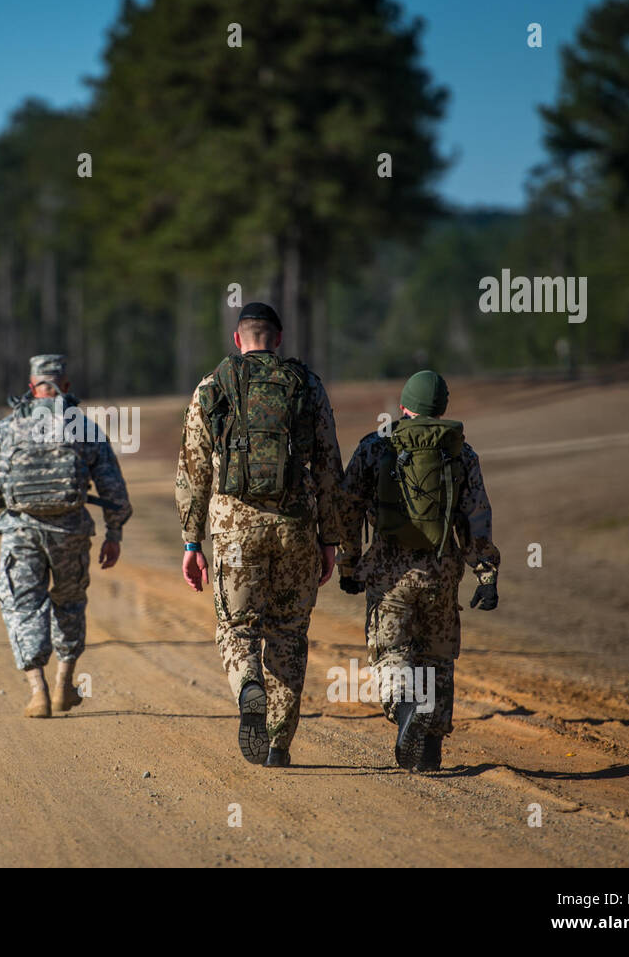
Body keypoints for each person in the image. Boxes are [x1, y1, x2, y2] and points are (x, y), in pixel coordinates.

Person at [175, 302, 344, 767]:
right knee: (289, 633)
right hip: (296, 527)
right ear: (279, 337)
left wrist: (192, 543)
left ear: (237, 339)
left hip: (234, 529)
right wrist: (330, 538)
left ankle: (248, 685)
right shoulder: (307, 386)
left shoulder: (213, 387)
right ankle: (278, 744)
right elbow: (330, 467)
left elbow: (192, 472)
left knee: (237, 627)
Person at [337, 369, 500, 772]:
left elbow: (346, 509)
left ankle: (408, 706)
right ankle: (429, 749)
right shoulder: (461, 452)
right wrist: (486, 574)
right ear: (442, 407)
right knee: (437, 657)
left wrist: (348, 565)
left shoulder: (375, 447)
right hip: (441, 572)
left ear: (404, 404)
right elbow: (476, 517)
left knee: (393, 652)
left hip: (389, 574)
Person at [0, 354, 132, 717]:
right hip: (70, 531)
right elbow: (112, 487)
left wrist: (9, 490)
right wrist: (114, 532)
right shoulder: (82, 426)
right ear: (66, 385)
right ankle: (64, 683)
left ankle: (37, 691)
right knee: (69, 603)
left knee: (22, 605)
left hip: (21, 530)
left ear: (32, 387)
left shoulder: (8, 426)